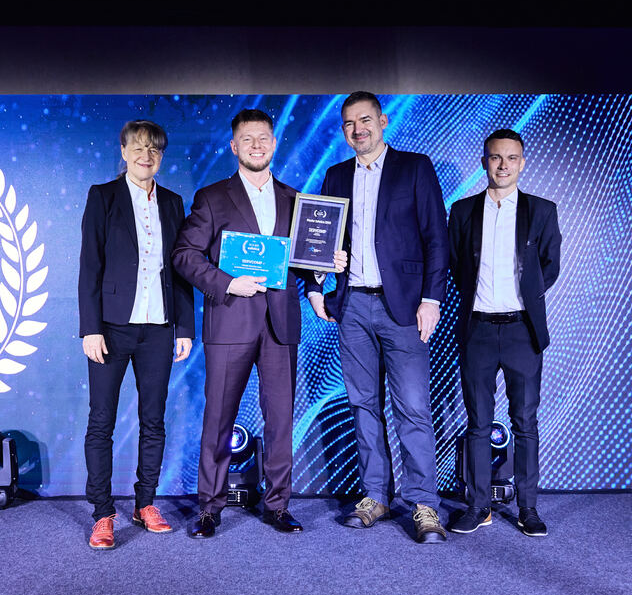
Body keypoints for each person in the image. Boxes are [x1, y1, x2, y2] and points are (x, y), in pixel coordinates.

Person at [172, 108, 345, 538]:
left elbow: (304, 264)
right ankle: (209, 508)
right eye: (247, 139)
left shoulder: (295, 199)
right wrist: (228, 283)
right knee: (219, 419)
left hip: (280, 325)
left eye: (263, 138)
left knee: (281, 419)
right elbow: (184, 256)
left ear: (274, 143)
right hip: (230, 320)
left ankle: (278, 505)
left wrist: (325, 267)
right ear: (234, 146)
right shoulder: (212, 197)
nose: (256, 145)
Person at [305, 91, 449, 543]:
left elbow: (437, 238)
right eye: (350, 123)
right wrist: (315, 284)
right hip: (352, 307)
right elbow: (319, 240)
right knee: (362, 405)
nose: (358, 129)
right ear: (343, 130)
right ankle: (375, 495)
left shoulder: (415, 168)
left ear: (383, 121)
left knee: (413, 407)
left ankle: (423, 503)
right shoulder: (335, 175)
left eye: (365, 120)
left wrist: (431, 299)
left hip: (403, 305)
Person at [78, 119, 195, 550]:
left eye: (154, 150)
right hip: (111, 328)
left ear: (161, 156)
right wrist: (90, 328)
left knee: (153, 421)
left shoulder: (173, 202)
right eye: (139, 148)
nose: (147, 156)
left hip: (159, 328)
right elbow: (89, 266)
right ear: (124, 152)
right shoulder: (103, 196)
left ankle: (145, 503)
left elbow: (180, 269)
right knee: (101, 422)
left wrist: (185, 326)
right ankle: (102, 513)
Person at [447, 129, 561, 537]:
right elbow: (456, 264)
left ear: (522, 163)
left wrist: (523, 297)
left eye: (512, 158)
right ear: (484, 162)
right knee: (478, 423)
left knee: (525, 421)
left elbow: (550, 266)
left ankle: (528, 508)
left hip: (521, 331)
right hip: (477, 328)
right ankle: (478, 506)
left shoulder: (542, 210)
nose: (503, 165)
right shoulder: (462, 211)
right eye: (496, 157)